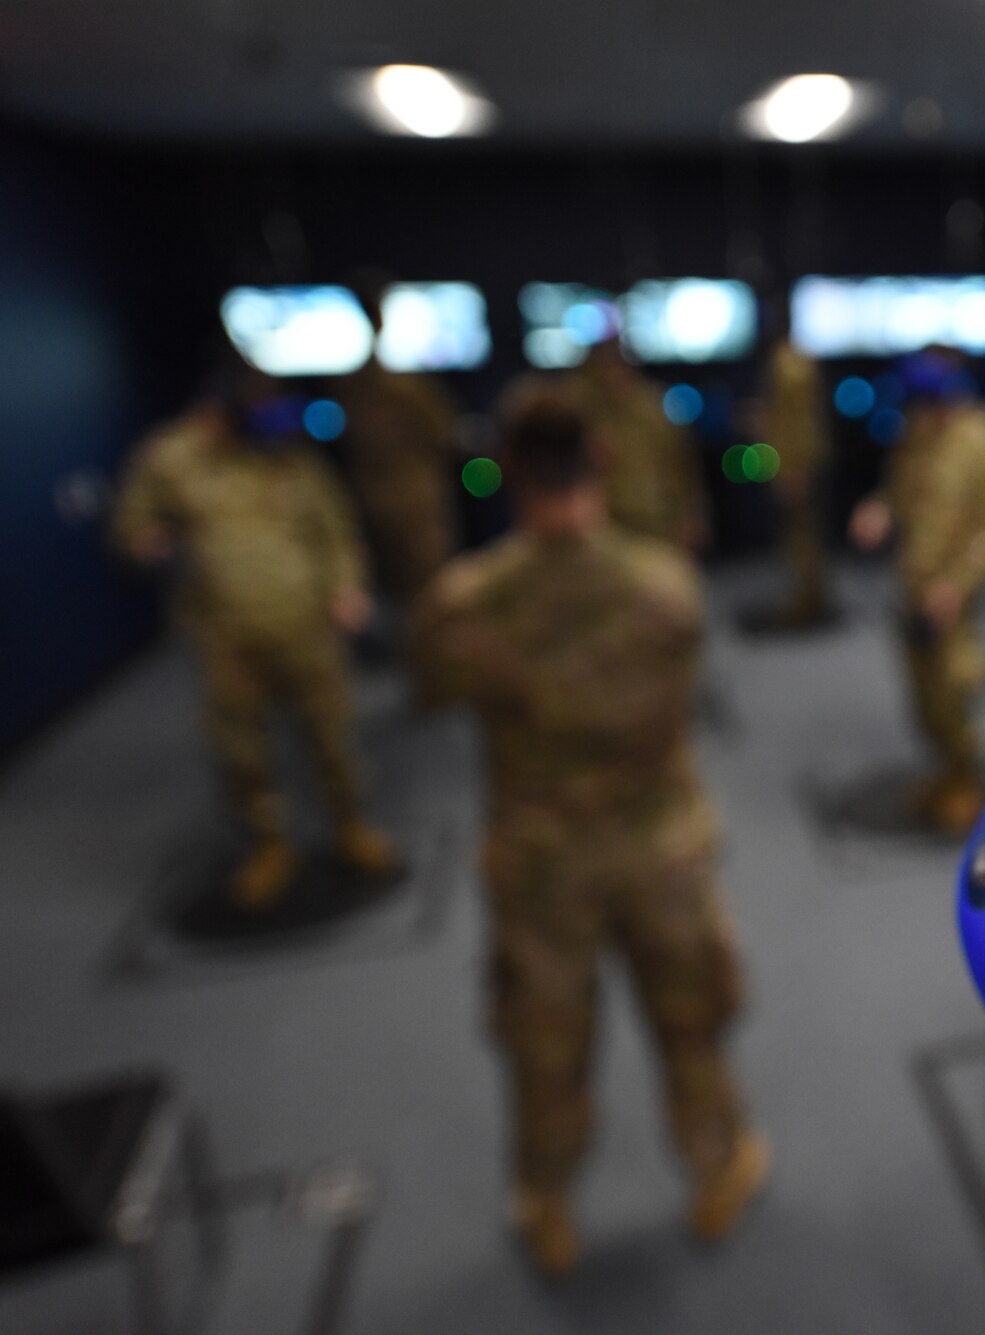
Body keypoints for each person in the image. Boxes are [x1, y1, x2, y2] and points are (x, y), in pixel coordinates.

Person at [410, 381, 767, 1276]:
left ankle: (546, 1201)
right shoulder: (666, 585)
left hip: (541, 867)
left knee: (545, 1045)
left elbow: (431, 689)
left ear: (504, 474)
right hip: (661, 851)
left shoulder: (464, 603)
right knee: (692, 1026)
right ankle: (719, 1166)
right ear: (602, 461)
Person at [111, 363, 403, 907]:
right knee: (242, 746)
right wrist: (147, 543)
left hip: (307, 624)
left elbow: (335, 527)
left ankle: (351, 826)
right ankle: (269, 844)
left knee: (332, 732)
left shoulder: (290, 456)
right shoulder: (170, 458)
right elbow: (131, 527)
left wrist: (348, 589)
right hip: (224, 634)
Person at [848, 348, 985, 835]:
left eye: (932, 403)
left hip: (954, 590)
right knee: (920, 688)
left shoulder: (984, 438)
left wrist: (958, 587)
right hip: (913, 583)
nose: (926, 414)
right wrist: (879, 509)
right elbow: (897, 491)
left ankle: (966, 777)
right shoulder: (915, 432)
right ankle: (945, 772)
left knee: (953, 685)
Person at [335, 278, 462, 605]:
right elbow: (444, 434)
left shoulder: (350, 383)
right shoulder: (406, 386)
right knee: (429, 594)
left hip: (371, 499)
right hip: (414, 503)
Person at [568, 338, 710, 552]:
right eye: (604, 366)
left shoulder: (652, 407)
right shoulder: (581, 411)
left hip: (655, 515)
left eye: (617, 364)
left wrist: (692, 515)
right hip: (606, 520)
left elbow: (681, 464)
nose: (612, 373)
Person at [754, 316, 833, 625]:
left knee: (802, 534)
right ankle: (810, 597)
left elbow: (792, 422)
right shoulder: (799, 360)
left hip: (794, 460)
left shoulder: (787, 364)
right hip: (801, 457)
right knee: (804, 531)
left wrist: (790, 466)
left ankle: (809, 600)